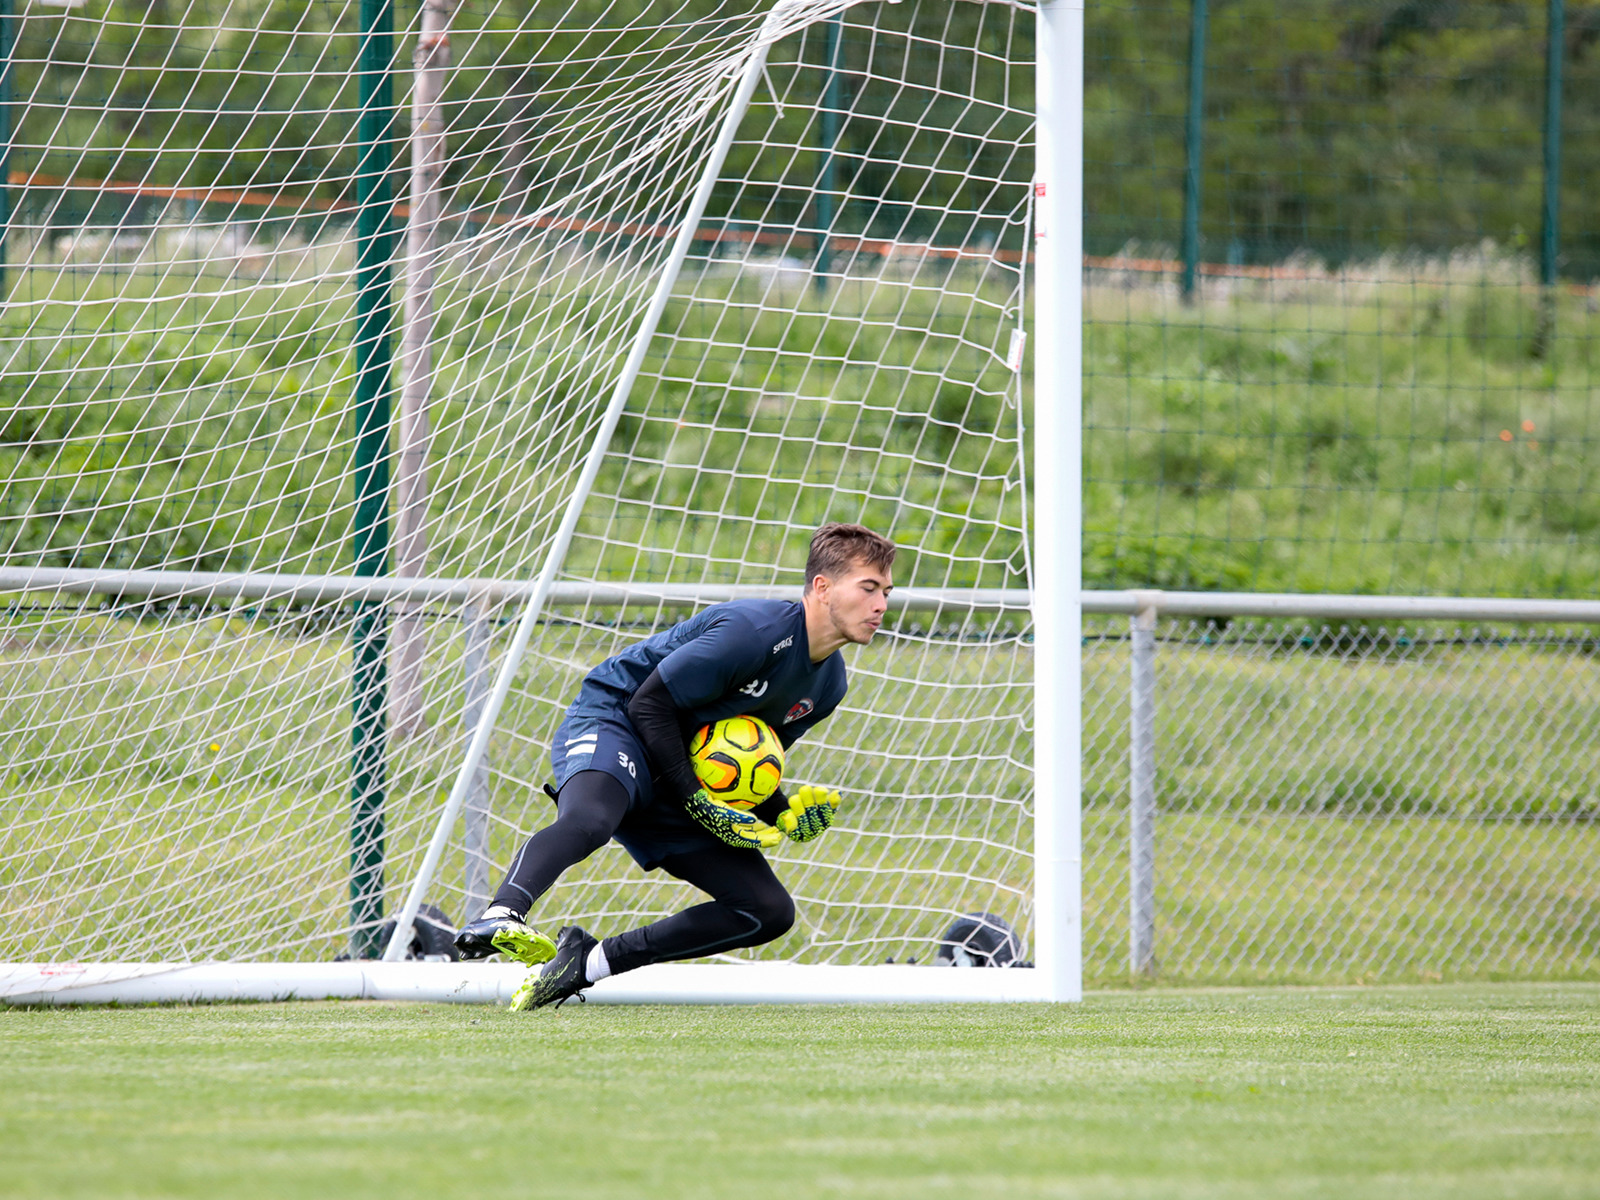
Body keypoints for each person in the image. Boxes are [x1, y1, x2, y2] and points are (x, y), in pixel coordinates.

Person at [453, 522, 896, 1009]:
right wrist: (696, 799)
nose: (881, 605)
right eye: (869, 588)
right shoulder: (754, 633)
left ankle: (586, 964)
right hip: (618, 719)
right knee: (591, 819)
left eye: (887, 592)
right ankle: (502, 914)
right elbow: (649, 704)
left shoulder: (829, 685)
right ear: (823, 587)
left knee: (767, 910)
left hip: (680, 766)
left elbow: (745, 763)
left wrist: (784, 814)